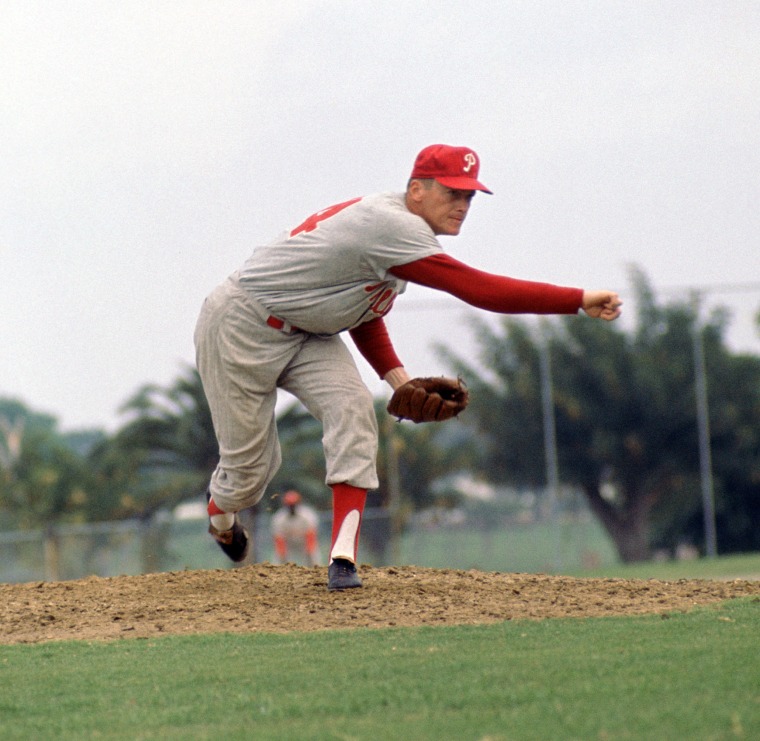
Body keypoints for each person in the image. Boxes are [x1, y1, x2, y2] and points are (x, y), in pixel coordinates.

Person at [194, 143, 622, 591]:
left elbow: (362, 309)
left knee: (354, 408)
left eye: (469, 196)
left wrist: (396, 378)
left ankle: (343, 559)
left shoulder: (402, 230)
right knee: (249, 473)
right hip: (242, 323)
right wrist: (576, 300)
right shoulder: (392, 226)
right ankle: (221, 515)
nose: (462, 205)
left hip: (307, 331)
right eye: (451, 192)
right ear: (416, 189)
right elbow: (479, 290)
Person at [271, 490, 321, 567]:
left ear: (298, 503)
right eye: (289, 505)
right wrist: (283, 558)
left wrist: (309, 552)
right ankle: (278, 574)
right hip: (288, 541)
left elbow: (311, 536)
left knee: (313, 557)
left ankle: (316, 571)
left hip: (303, 540)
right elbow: (279, 539)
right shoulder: (279, 518)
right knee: (279, 558)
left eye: (293, 505)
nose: (291, 507)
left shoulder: (307, 515)